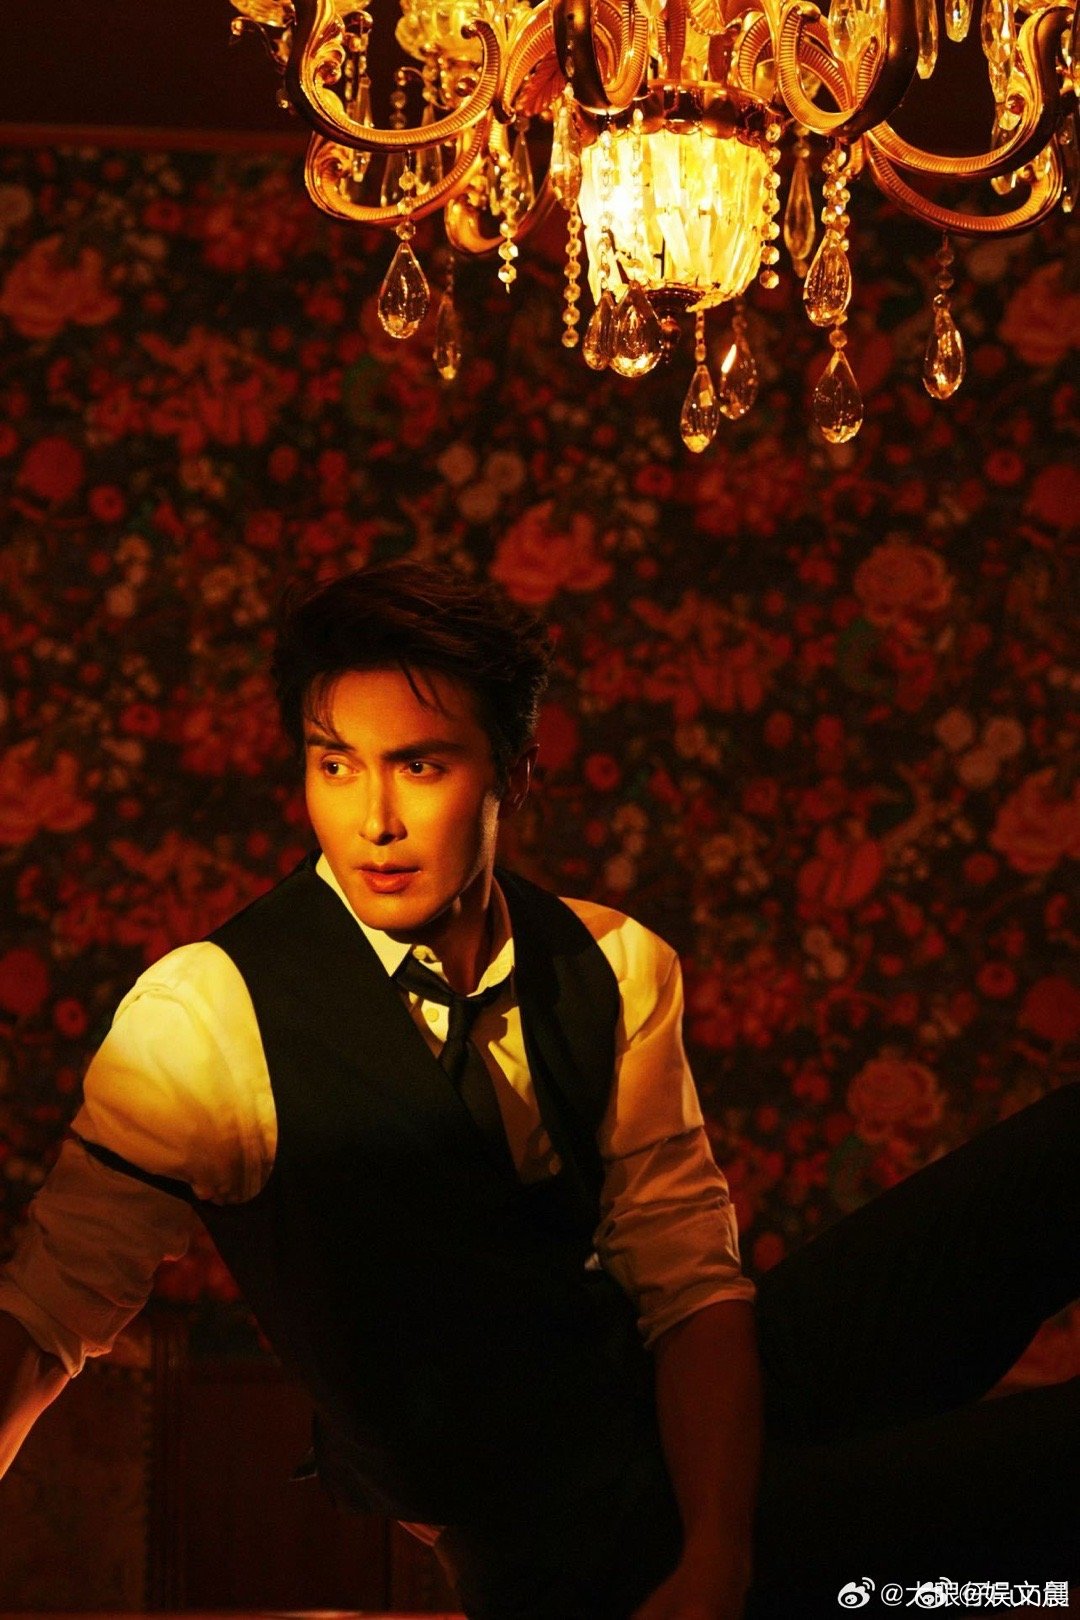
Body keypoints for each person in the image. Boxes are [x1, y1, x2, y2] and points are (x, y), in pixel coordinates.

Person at [0, 559, 1077, 1620]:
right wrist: (706, 1567)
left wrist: (721, 1550)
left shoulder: (613, 964)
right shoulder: (204, 1016)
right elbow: (47, 1313)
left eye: (420, 766)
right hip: (565, 1545)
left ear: (515, 773)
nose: (374, 820)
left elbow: (692, 1287)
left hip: (685, 1426)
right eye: (336, 766)